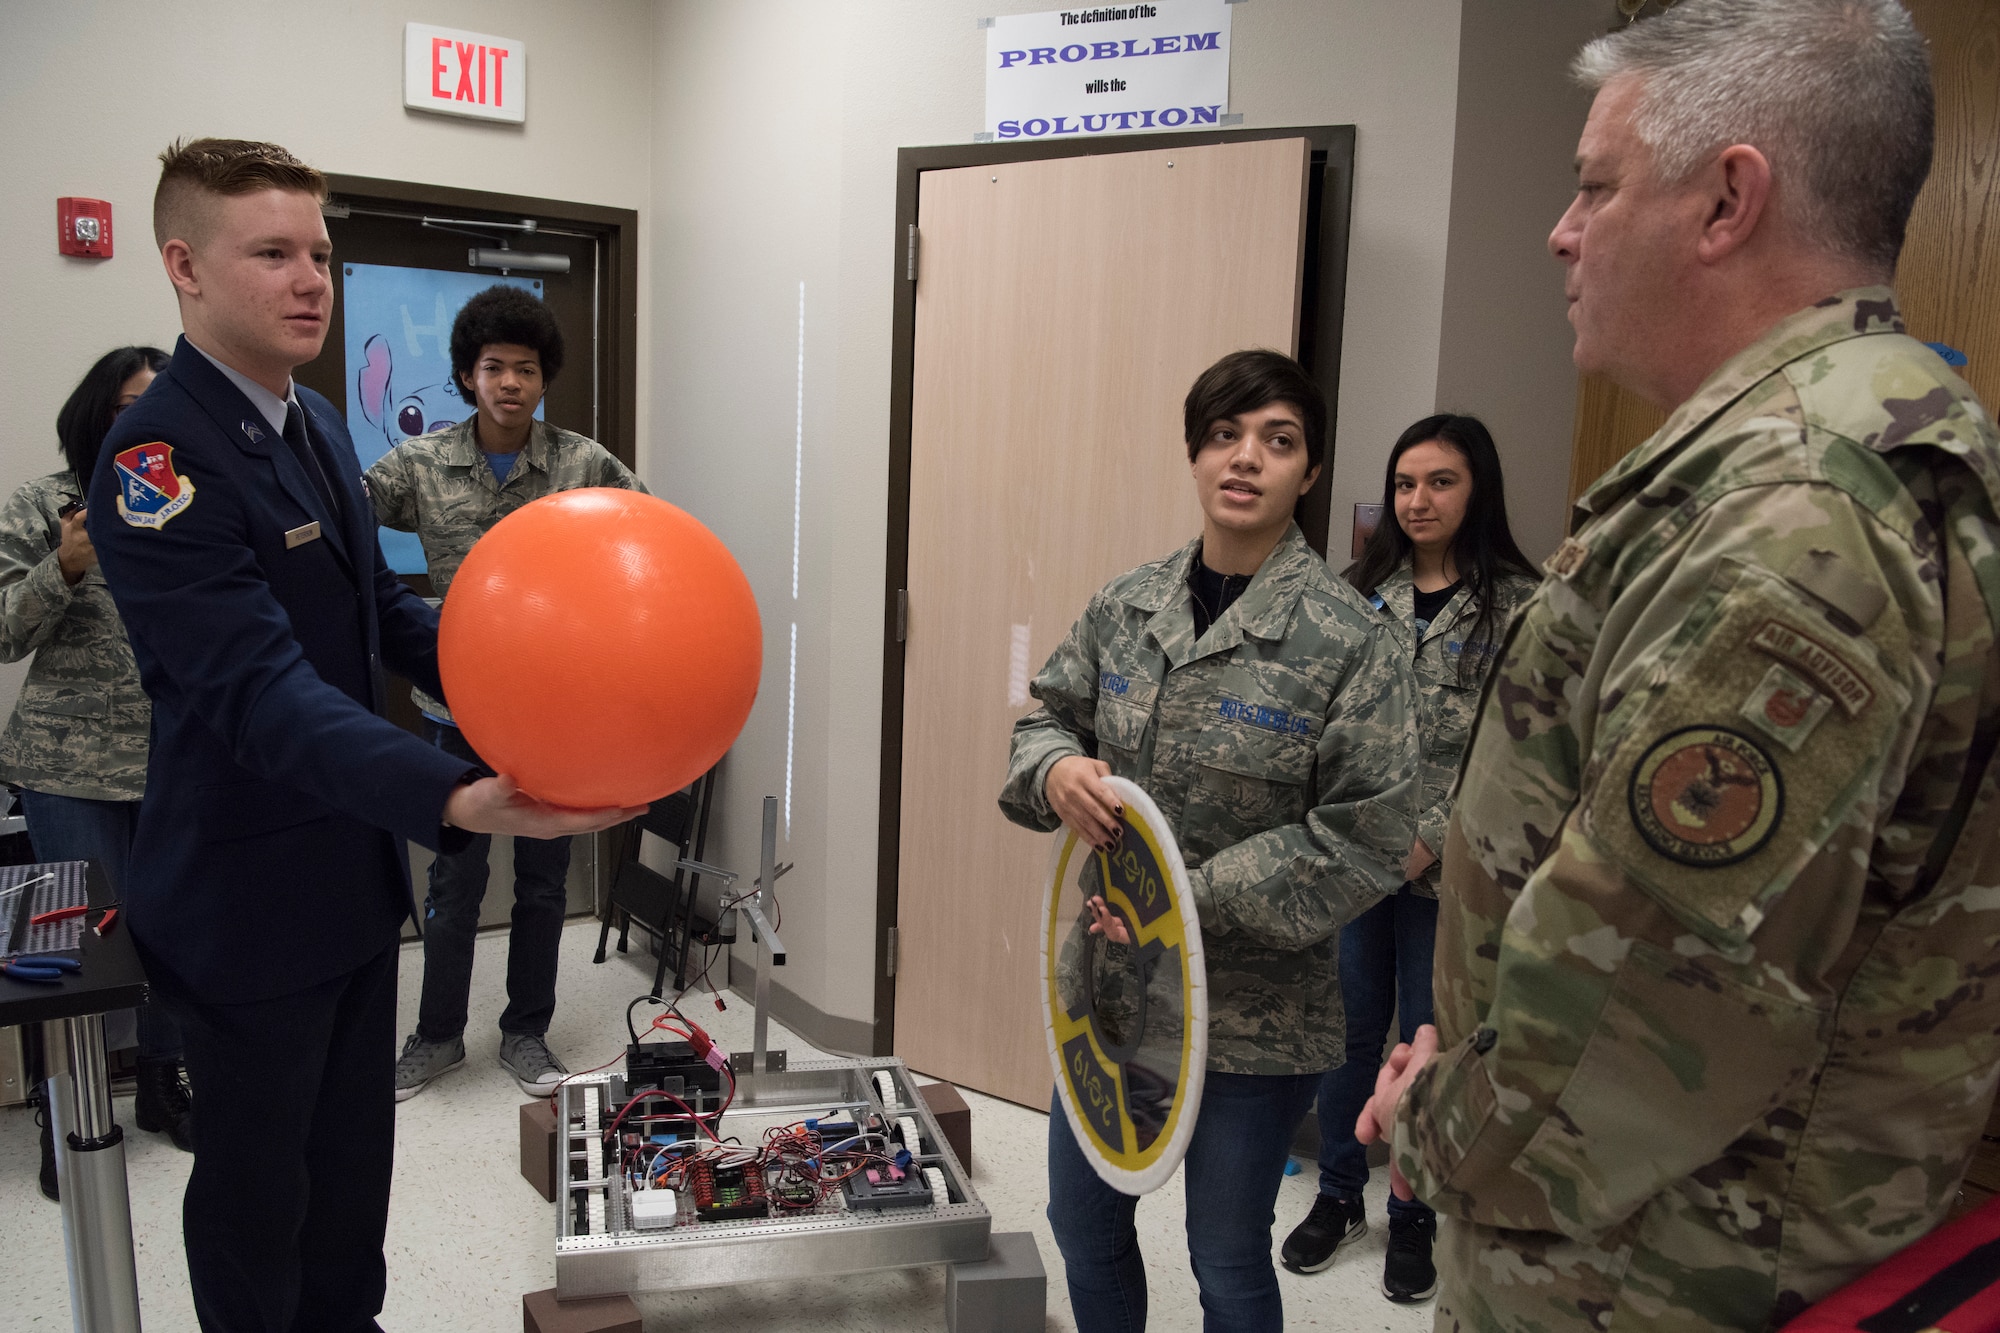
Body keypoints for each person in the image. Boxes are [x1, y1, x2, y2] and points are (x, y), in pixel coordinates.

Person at [1354, 4, 2000, 1330]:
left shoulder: (1799, 516)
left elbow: (1637, 997)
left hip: (1661, 1265)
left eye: (1595, 184)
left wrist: (1440, 1122)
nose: (1560, 228)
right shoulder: (1821, 451)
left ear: (1726, 201)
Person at [86, 137, 638, 1332]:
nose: (309, 281)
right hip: (239, 906)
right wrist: (452, 793)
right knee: (256, 1200)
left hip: (342, 883)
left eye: (320, 255)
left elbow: (377, 614)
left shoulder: (317, 425)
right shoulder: (154, 461)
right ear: (182, 266)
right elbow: (258, 690)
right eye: (272, 253)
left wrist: (538, 683)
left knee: (350, 1187)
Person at [1000, 349, 1414, 1332]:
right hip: (1110, 991)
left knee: (1224, 1253)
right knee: (1082, 1217)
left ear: (1307, 472)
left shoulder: (1348, 639)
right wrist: (1055, 767)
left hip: (1256, 1016)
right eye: (1223, 435)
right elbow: (1044, 718)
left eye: (1276, 441)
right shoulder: (1126, 604)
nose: (1245, 459)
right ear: (1193, 455)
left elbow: (1367, 833)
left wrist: (1186, 897)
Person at [369, 284, 648, 1101]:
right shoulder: (420, 464)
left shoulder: (582, 462)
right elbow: (339, 525)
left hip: (556, 717)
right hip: (455, 709)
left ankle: (527, 1032)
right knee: (452, 883)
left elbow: (647, 540)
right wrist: (399, 615)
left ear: (543, 377)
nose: (510, 383)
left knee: (544, 882)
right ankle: (438, 1035)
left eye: (525, 369)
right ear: (467, 375)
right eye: (494, 367)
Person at [1279, 413, 1536, 1300]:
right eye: (1404, 483)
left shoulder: (1518, 605)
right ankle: (1340, 1193)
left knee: (1431, 1042)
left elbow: (1516, 752)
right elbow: (1332, 726)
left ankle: (1416, 1212)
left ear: (1478, 491)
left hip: (1453, 872)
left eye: (1440, 482)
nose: (1417, 500)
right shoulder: (1361, 593)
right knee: (1351, 1033)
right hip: (1361, 863)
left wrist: (1430, 835)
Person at [0, 346, 190, 1198]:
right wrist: (65, 565)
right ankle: (65, 1108)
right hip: (67, 764)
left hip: (175, 762)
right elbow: (3, 629)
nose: (139, 420)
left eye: (154, 404)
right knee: (75, 947)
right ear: (95, 412)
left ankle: (162, 1082)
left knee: (172, 935)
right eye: (124, 405)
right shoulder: (44, 503)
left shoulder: (186, 501)